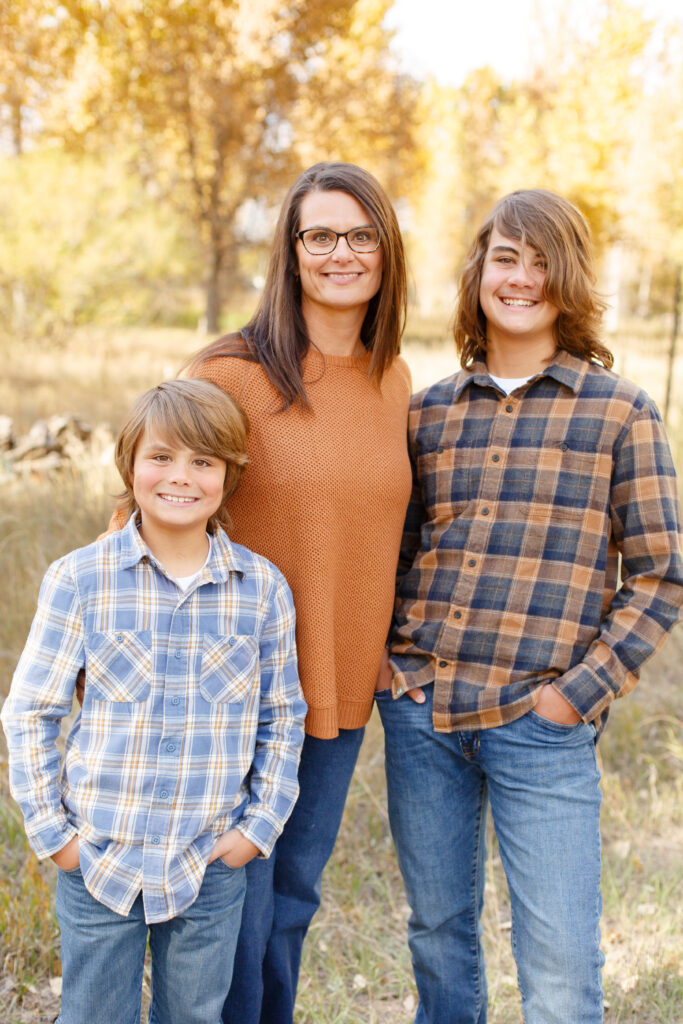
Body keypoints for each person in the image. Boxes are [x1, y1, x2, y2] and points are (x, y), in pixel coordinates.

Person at [110, 162, 412, 1023]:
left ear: (386, 252)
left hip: (341, 691)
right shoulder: (233, 371)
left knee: (289, 907)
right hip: (227, 692)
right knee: (228, 915)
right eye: (319, 235)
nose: (341, 253)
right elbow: (151, 489)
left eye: (360, 235)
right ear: (290, 251)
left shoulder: (393, 380)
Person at [377, 189, 683, 1024]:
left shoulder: (619, 411)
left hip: (540, 724)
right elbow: (394, 555)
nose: (521, 277)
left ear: (569, 280)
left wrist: (570, 699)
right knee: (437, 930)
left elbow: (659, 574)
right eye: (505, 257)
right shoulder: (428, 413)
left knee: (557, 958)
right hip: (424, 715)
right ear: (479, 272)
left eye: (541, 261)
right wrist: (392, 667)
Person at [2, 379, 306, 1024]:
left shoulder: (261, 589)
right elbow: (31, 711)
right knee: (94, 1015)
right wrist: (56, 836)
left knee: (195, 1015)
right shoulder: (81, 578)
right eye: (161, 457)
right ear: (129, 463)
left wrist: (255, 831)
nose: (181, 477)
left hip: (208, 862)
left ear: (229, 475)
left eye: (204, 461)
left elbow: (282, 720)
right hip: (98, 856)